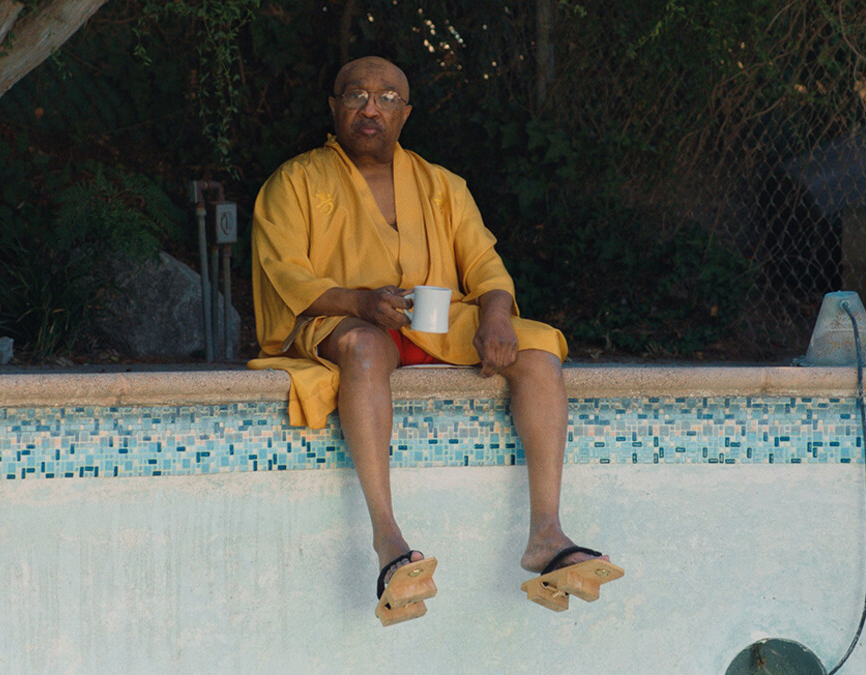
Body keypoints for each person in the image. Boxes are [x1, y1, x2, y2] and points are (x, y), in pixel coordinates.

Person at [249, 56, 617, 623]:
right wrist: (360, 302)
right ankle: (389, 543)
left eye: (387, 98)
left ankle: (547, 535)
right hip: (339, 322)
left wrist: (496, 316)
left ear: (406, 112)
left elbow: (487, 269)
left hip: (434, 322)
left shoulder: (443, 185)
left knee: (538, 346)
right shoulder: (294, 181)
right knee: (365, 347)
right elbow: (289, 275)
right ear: (334, 107)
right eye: (356, 96)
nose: (371, 108)